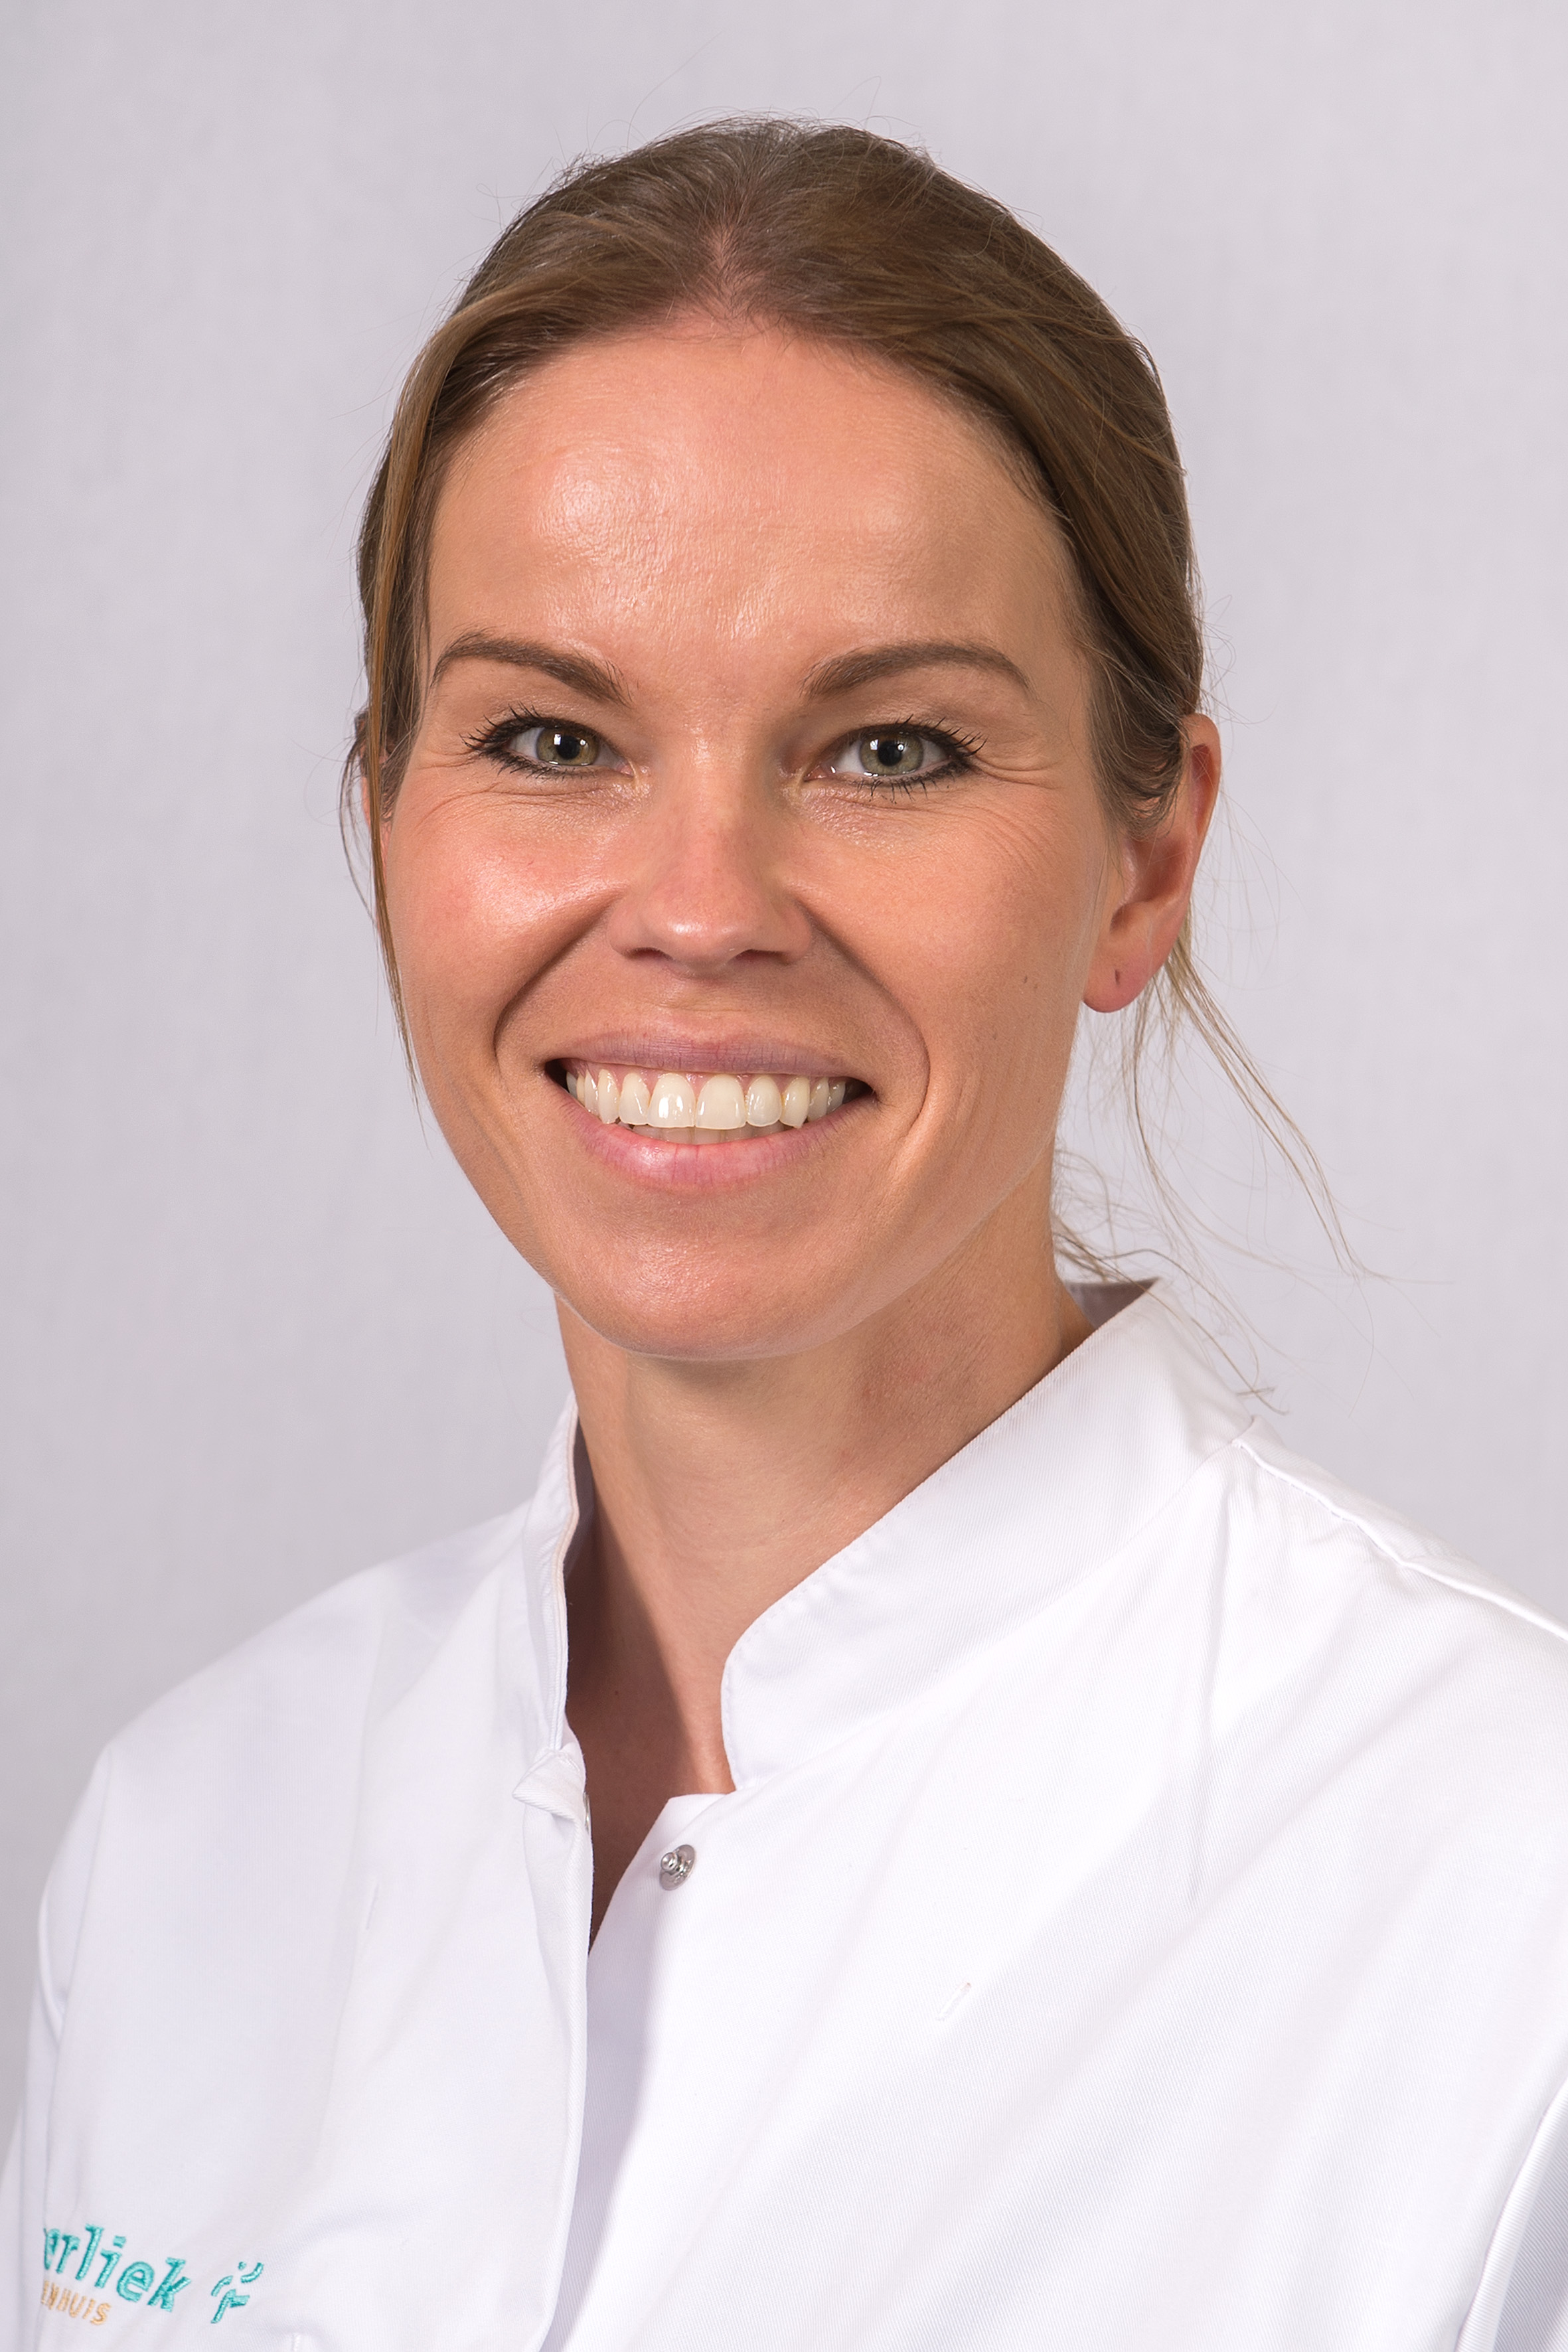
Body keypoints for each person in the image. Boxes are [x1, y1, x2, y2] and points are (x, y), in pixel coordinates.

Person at [4, 118, 1567, 2352]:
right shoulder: (189, 1842)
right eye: (553, 738)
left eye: (890, 751)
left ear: (1142, 864)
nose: (701, 910)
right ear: (387, 817)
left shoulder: (1507, 1907)